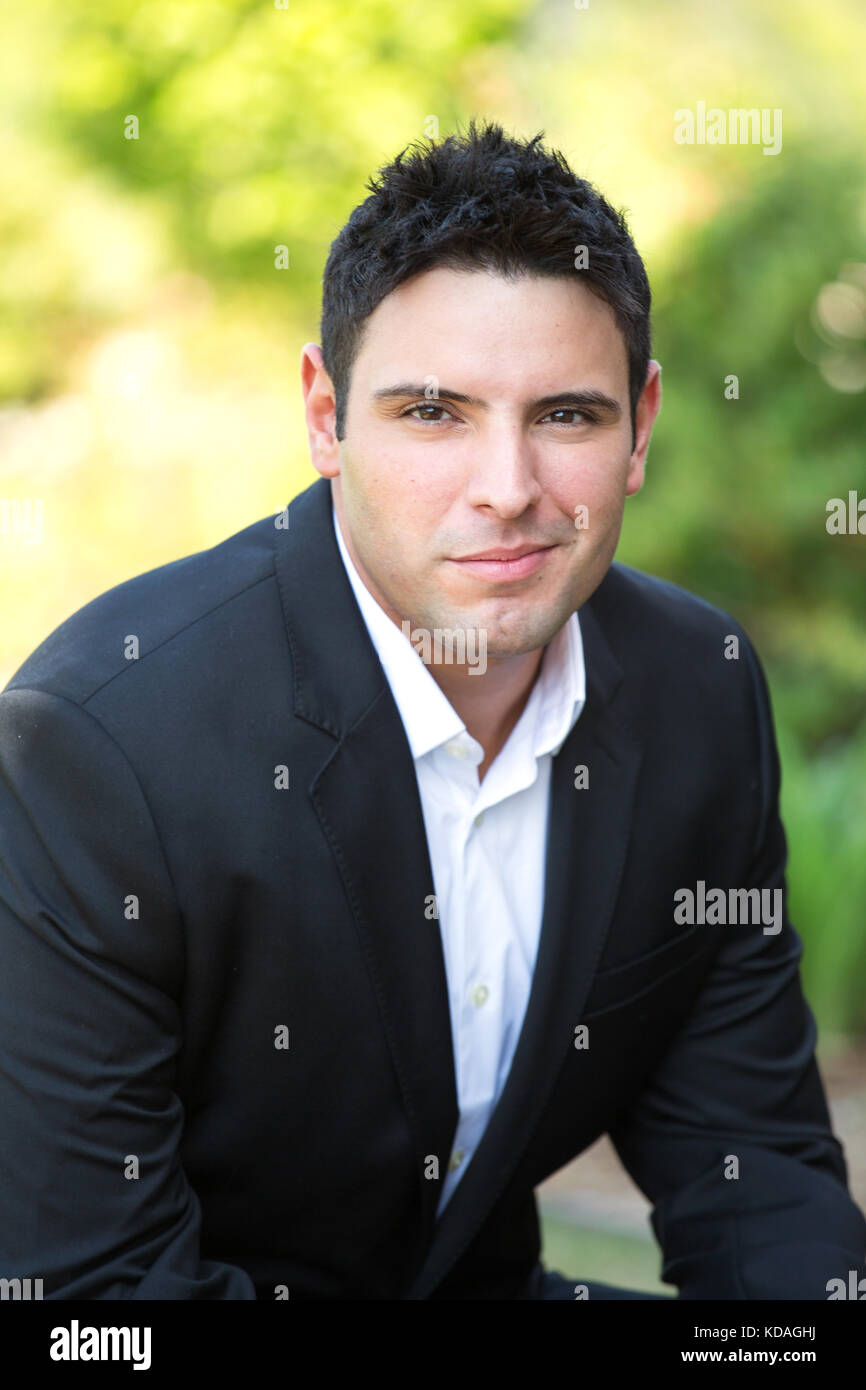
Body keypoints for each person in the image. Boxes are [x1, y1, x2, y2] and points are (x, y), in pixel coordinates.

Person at [1, 120, 864, 1301]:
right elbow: (86, 1300)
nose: (506, 489)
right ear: (324, 416)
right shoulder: (97, 745)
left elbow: (754, 1172)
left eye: (564, 415)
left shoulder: (694, 687)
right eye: (431, 413)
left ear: (641, 427)